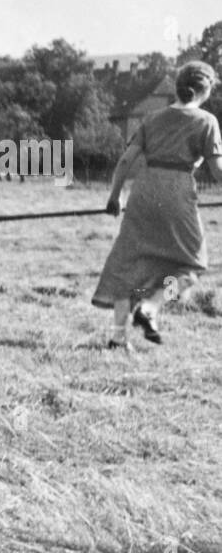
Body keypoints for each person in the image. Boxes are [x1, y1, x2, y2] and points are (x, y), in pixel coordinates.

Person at [93, 61, 222, 346]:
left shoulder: (151, 118)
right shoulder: (206, 121)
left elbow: (126, 160)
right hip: (177, 192)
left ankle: (117, 338)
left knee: (127, 264)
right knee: (192, 265)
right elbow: (218, 171)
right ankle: (151, 307)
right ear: (207, 90)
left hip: (144, 190)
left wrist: (115, 196)